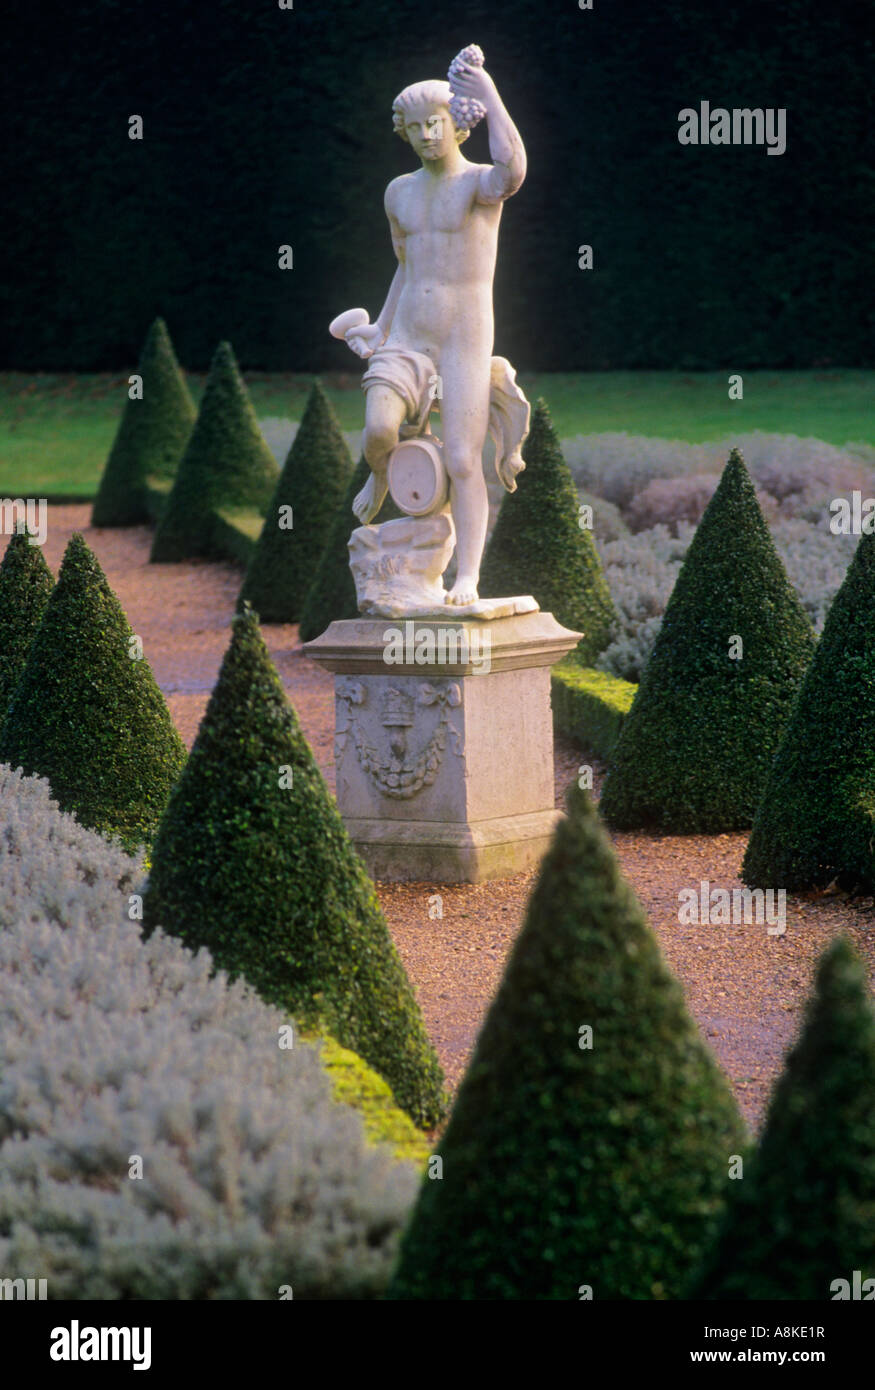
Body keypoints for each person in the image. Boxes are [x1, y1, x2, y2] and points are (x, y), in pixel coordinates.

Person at [341, 48, 529, 606]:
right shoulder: (397, 192)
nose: (426, 135)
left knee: (463, 460)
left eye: (436, 123)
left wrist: (490, 95)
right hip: (407, 334)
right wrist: (378, 327)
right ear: (404, 132)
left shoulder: (478, 184)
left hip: (464, 339)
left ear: (458, 126)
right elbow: (405, 267)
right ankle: (385, 472)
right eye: (416, 127)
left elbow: (515, 169)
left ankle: (466, 575)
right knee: (380, 431)